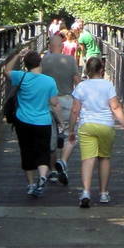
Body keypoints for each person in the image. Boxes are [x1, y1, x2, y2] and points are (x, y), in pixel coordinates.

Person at [62, 56, 124, 207]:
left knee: (88, 159)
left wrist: (71, 130)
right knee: (104, 159)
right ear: (102, 70)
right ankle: (103, 193)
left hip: (87, 126)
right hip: (105, 125)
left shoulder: (81, 86)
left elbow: (75, 110)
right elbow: (115, 107)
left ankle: (86, 192)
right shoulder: (108, 85)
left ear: (87, 70)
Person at [5, 46, 63, 197]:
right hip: (43, 121)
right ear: (40, 63)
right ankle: (42, 176)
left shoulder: (21, 77)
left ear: (26, 65)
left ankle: (31, 185)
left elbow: (6, 70)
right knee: (43, 151)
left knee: (26, 151)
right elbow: (54, 103)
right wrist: (61, 122)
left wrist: (18, 55)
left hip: (23, 121)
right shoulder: (49, 81)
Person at [40, 29, 79, 185]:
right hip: (67, 101)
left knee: (51, 139)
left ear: (49, 46)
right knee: (70, 135)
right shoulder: (70, 60)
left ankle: (54, 171)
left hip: (48, 103)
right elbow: (77, 82)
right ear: (62, 46)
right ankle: (62, 162)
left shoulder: (43, 61)